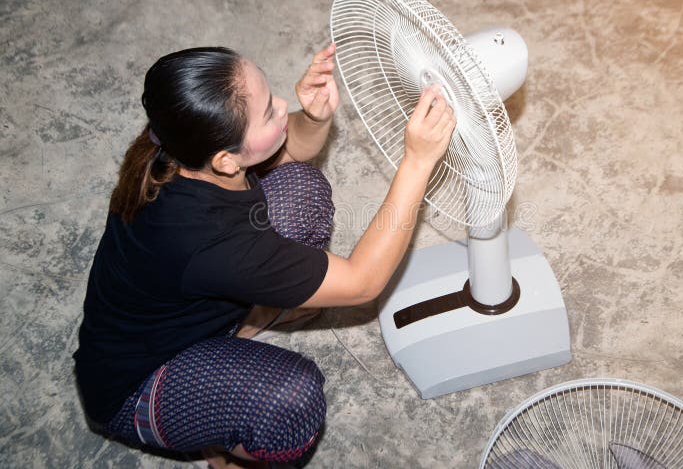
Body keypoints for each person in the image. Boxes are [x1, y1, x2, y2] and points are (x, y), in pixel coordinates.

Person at [73, 43, 455, 468]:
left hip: (181, 309)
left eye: (271, 95)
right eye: (270, 112)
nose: (283, 103)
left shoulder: (179, 146)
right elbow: (364, 282)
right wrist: (417, 164)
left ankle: (240, 334)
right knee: (291, 400)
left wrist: (313, 117)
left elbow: (289, 152)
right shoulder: (209, 241)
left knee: (301, 189)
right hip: (137, 384)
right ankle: (227, 453)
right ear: (226, 160)